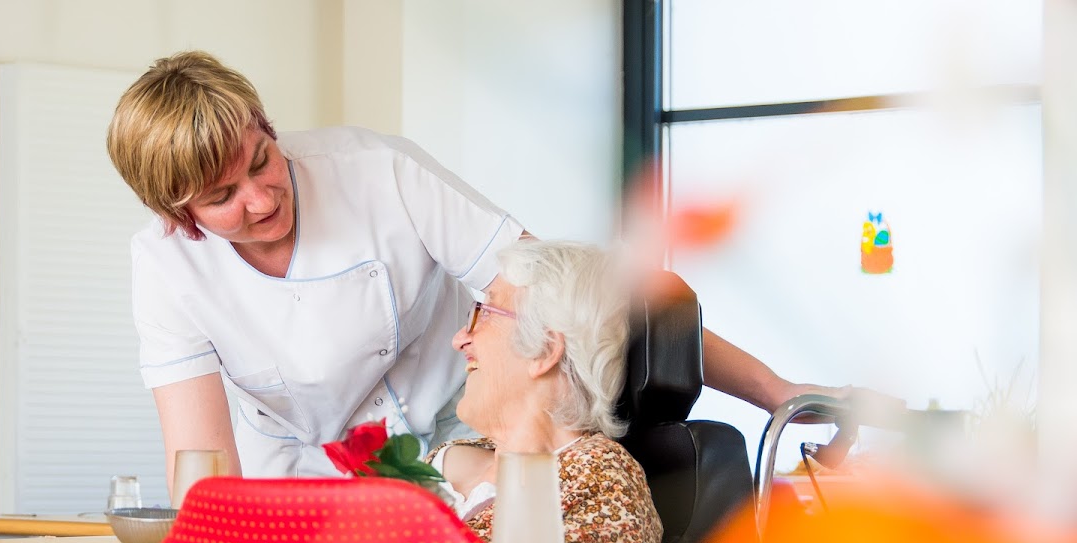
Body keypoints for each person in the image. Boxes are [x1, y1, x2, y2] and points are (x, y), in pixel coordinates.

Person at [107, 50, 847, 497]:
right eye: (222, 198)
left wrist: (778, 392)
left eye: (262, 161)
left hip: (454, 446)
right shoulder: (167, 268)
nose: (262, 198)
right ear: (176, 212)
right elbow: (201, 471)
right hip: (294, 480)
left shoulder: (378, 175)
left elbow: (583, 301)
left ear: (267, 126)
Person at [428, 238, 662, 543]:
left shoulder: (602, 480)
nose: (460, 339)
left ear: (545, 350)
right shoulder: (447, 456)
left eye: (483, 313)